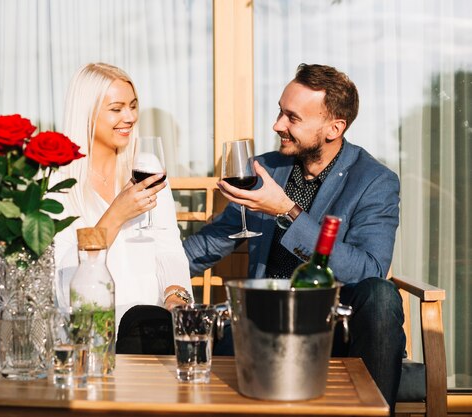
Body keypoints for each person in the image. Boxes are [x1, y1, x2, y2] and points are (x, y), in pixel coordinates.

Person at [183, 63, 405, 414]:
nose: (277, 125)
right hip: (260, 324)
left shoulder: (374, 181)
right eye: (279, 112)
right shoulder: (266, 169)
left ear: (334, 128)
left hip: (329, 329)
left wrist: (286, 210)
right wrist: (142, 266)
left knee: (382, 296)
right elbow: (212, 242)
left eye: (292, 117)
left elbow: (369, 269)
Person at [50, 63, 193, 353]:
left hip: (152, 330)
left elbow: (169, 249)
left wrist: (176, 296)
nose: (129, 117)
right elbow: (64, 282)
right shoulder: (58, 184)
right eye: (116, 109)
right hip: (90, 332)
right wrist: (115, 215)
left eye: (133, 106)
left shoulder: (147, 170)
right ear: (86, 113)